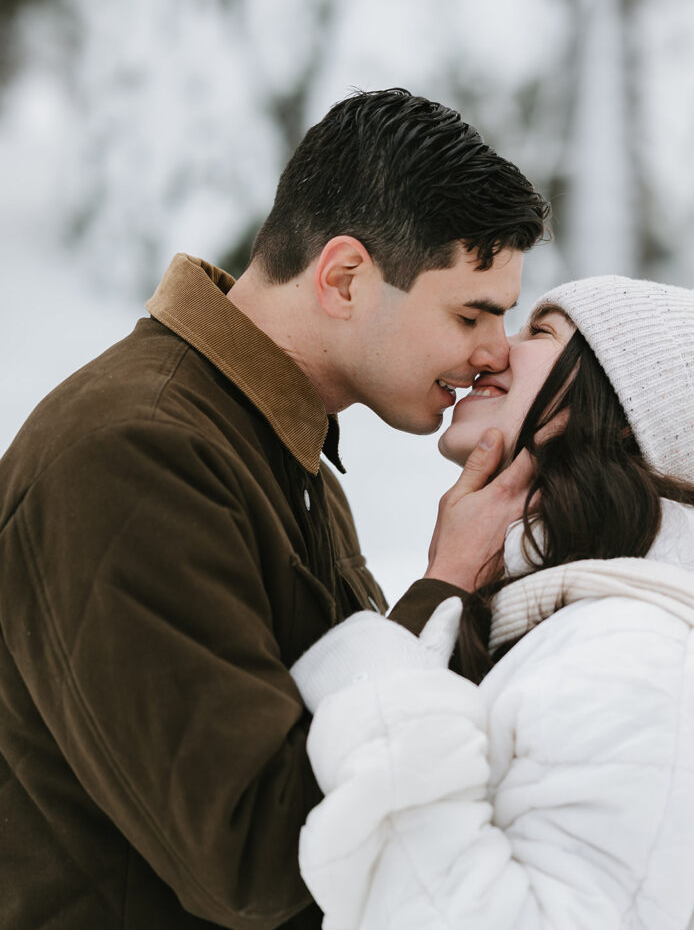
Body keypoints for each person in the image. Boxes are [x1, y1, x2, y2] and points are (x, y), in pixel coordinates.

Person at [0, 89, 547, 929]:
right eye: (470, 313)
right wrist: (444, 585)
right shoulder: (136, 457)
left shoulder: (277, 452)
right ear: (343, 278)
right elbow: (249, 855)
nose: (490, 355)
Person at [291, 275, 694, 929]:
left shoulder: (635, 660)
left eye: (540, 331)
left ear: (623, 408)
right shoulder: (580, 633)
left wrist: (381, 686)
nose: (491, 352)